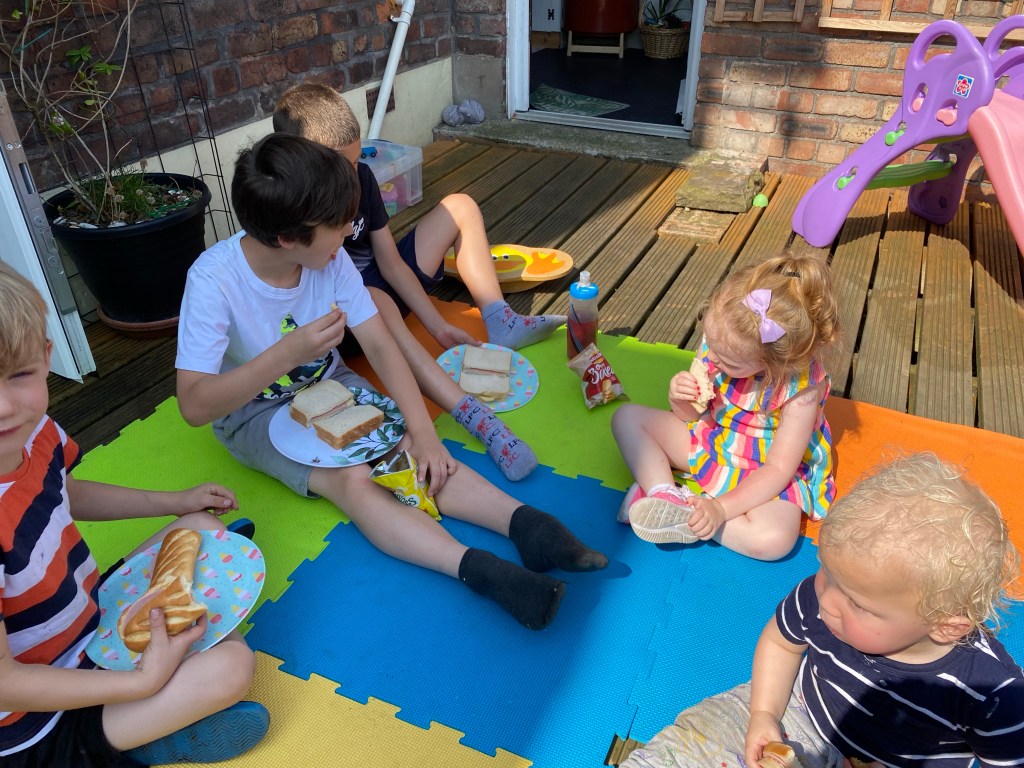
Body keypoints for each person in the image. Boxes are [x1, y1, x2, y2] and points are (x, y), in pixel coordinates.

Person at [174, 133, 607, 631]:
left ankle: (529, 526)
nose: (348, 234)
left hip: (329, 380)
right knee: (352, 479)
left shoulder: (329, 258)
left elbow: (381, 345)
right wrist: (288, 353)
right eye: (337, 226)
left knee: (407, 450)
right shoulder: (213, 280)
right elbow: (194, 405)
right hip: (254, 411)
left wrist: (423, 435)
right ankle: (480, 571)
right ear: (288, 239)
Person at [0, 262, 268, 767]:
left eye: (19, 375)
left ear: (45, 358)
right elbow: (6, 685)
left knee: (200, 527)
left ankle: (159, 699)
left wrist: (175, 502)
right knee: (232, 667)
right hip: (36, 720)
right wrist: (142, 681)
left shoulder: (36, 434)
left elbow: (70, 494)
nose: (4, 407)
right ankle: (147, 742)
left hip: (92, 621)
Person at [620, 452, 1024, 768]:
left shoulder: (993, 693)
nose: (826, 600)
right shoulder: (824, 600)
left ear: (945, 625)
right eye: (826, 572)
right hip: (800, 713)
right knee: (693, 742)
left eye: (857, 604)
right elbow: (782, 644)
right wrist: (764, 713)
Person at [271, 83, 565, 482]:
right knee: (376, 298)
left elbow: (391, 262)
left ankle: (500, 318)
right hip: (351, 321)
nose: (353, 175)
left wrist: (437, 325)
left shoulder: (360, 180)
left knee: (460, 207)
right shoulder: (297, 219)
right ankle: (477, 418)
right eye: (343, 165)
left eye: (357, 161)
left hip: (383, 289)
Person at [612, 251, 842, 561]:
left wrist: (720, 509)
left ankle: (688, 514)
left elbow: (779, 468)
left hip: (763, 470)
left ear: (774, 363)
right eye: (710, 343)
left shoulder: (801, 389)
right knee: (626, 418)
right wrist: (680, 399)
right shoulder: (722, 339)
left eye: (728, 362)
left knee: (772, 541)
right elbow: (691, 416)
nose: (712, 359)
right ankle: (664, 494)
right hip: (714, 439)